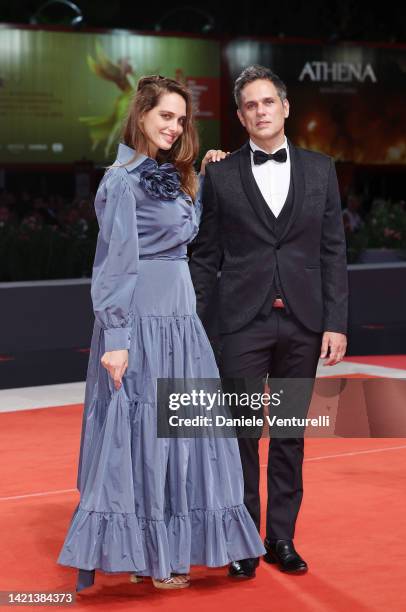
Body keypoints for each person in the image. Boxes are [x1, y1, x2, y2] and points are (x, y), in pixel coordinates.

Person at [57, 75, 265, 592]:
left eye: (180, 118)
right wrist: (117, 338)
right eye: (164, 116)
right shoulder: (121, 181)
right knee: (143, 436)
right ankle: (145, 554)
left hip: (181, 321)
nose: (173, 127)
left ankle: (171, 550)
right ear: (141, 115)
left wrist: (203, 173)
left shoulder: (172, 176)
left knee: (181, 435)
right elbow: (113, 266)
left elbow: (183, 237)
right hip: (141, 322)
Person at [189, 65, 348, 578]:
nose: (260, 111)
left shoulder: (322, 169)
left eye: (267, 102)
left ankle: (281, 538)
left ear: (285, 108)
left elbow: (332, 251)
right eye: (249, 105)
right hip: (238, 321)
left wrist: (336, 322)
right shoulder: (220, 172)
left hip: (303, 323)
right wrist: (196, 323)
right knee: (238, 435)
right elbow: (204, 256)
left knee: (288, 436)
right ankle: (241, 541)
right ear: (239, 116)